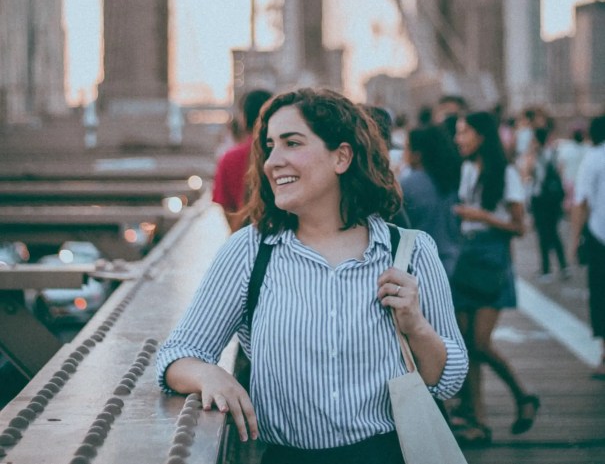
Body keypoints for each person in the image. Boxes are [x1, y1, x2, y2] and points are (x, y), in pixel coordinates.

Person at [157, 88, 468, 464]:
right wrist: (210, 375)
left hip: (390, 453)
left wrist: (416, 326)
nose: (273, 161)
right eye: (270, 146)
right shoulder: (249, 252)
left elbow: (448, 379)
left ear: (341, 157)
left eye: (292, 143)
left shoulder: (411, 251)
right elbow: (177, 355)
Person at [450, 111, 539, 444]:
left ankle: (522, 395)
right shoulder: (465, 169)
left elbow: (519, 227)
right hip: (466, 256)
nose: (459, 139)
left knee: (480, 342)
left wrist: (481, 216)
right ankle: (478, 420)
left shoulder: (507, 173)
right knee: (465, 345)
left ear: (481, 136)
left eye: (463, 132)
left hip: (491, 260)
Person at [569, 114, 605, 380]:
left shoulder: (593, 158)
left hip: (599, 235)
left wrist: (574, 240)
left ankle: (604, 356)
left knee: (601, 295)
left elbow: (580, 203)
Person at [400, 124, 462, 278]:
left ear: (417, 154)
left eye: (407, 147)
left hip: (418, 263)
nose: (403, 152)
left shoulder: (408, 184)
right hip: (450, 259)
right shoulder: (449, 180)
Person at [213, 88, 273, 231]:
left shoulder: (230, 158)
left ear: (244, 117)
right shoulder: (284, 154)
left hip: (245, 235)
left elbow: (225, 205)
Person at [526, 126, 569, 282]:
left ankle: (546, 269)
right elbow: (560, 173)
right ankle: (564, 266)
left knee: (543, 235)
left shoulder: (535, 156)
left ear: (536, 140)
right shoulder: (555, 153)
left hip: (540, 200)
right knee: (554, 233)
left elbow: (527, 174)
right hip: (554, 200)